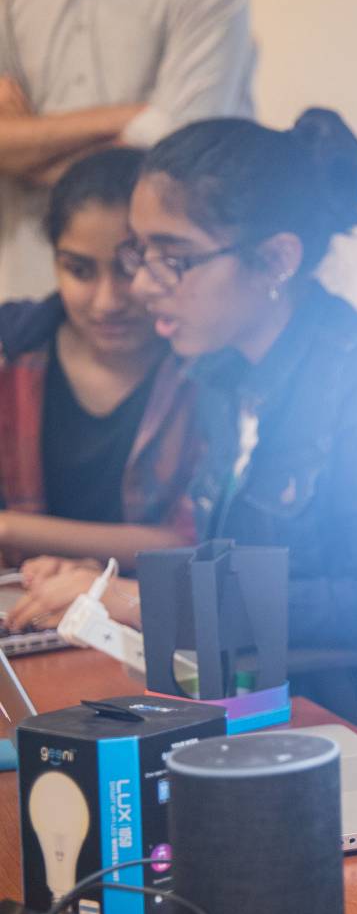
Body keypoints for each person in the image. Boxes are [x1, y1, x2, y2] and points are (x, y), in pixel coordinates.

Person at [14, 110, 357, 742]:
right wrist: (102, 582)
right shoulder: (220, 374)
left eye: (175, 258)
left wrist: (141, 603)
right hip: (251, 708)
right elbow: (243, 564)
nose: (141, 285)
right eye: (141, 251)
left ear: (276, 259)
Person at [0, 0, 255, 297]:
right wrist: (128, 119)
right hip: (27, 286)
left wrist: (27, 148)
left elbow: (182, 155)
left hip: (157, 289)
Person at [0, 147, 194, 589]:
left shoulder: (204, 366)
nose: (107, 302)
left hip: (154, 620)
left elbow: (195, 541)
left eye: (128, 268)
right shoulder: (12, 349)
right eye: (79, 270)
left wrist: (10, 528)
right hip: (22, 610)